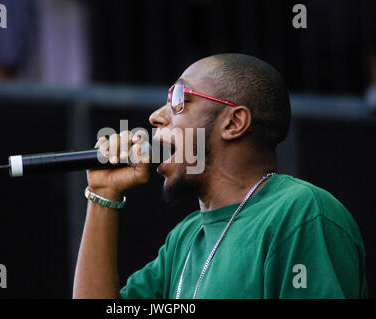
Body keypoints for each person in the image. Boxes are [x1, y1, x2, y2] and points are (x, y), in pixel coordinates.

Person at [73, 53, 368, 299]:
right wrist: (103, 195)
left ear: (233, 122)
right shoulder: (185, 238)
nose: (156, 116)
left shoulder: (300, 212)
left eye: (178, 98)